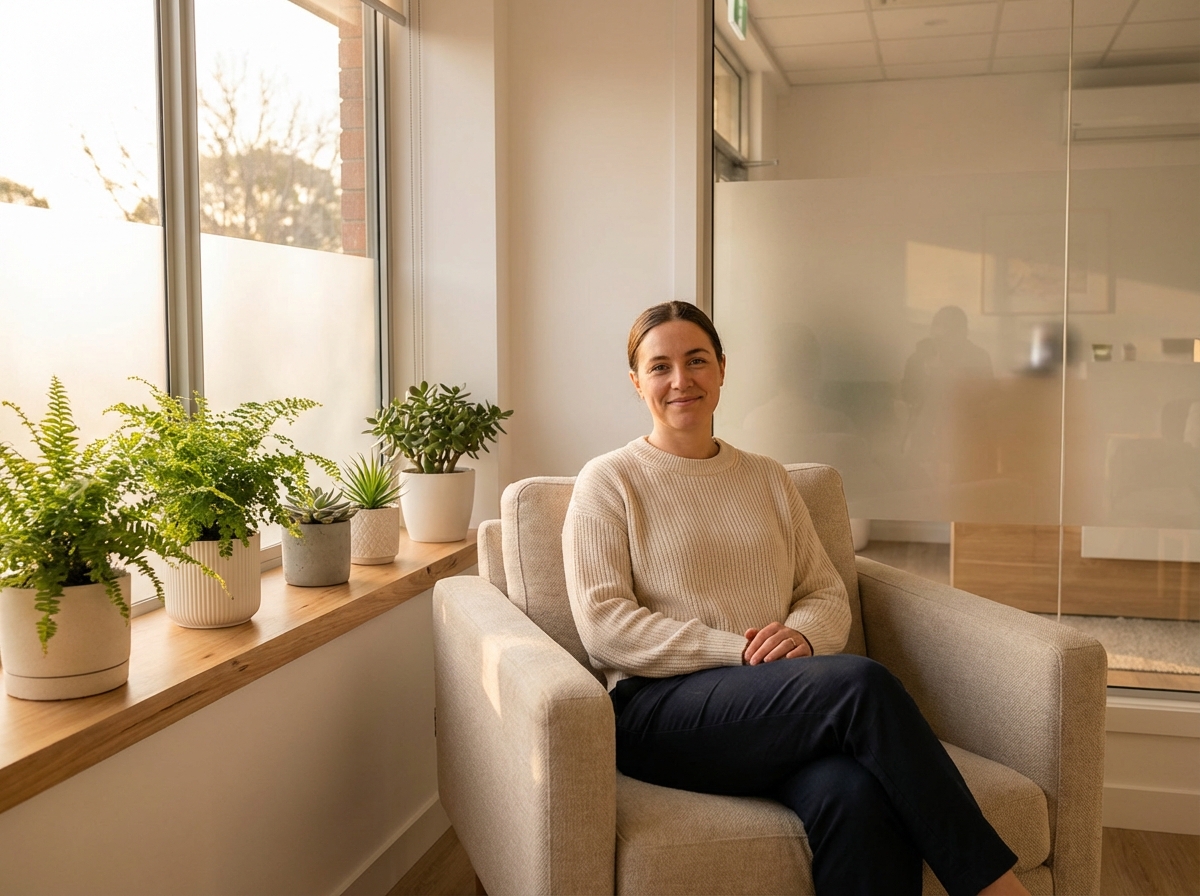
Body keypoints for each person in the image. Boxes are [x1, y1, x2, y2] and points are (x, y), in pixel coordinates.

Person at [562, 301, 1028, 896]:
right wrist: (739, 651)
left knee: (856, 796)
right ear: (637, 383)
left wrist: (804, 636)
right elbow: (605, 626)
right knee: (861, 684)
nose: (682, 380)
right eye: (660, 367)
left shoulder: (767, 478)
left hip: (771, 706)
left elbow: (824, 591)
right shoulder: (608, 481)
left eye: (697, 360)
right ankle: (995, 886)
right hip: (658, 713)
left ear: (723, 370)